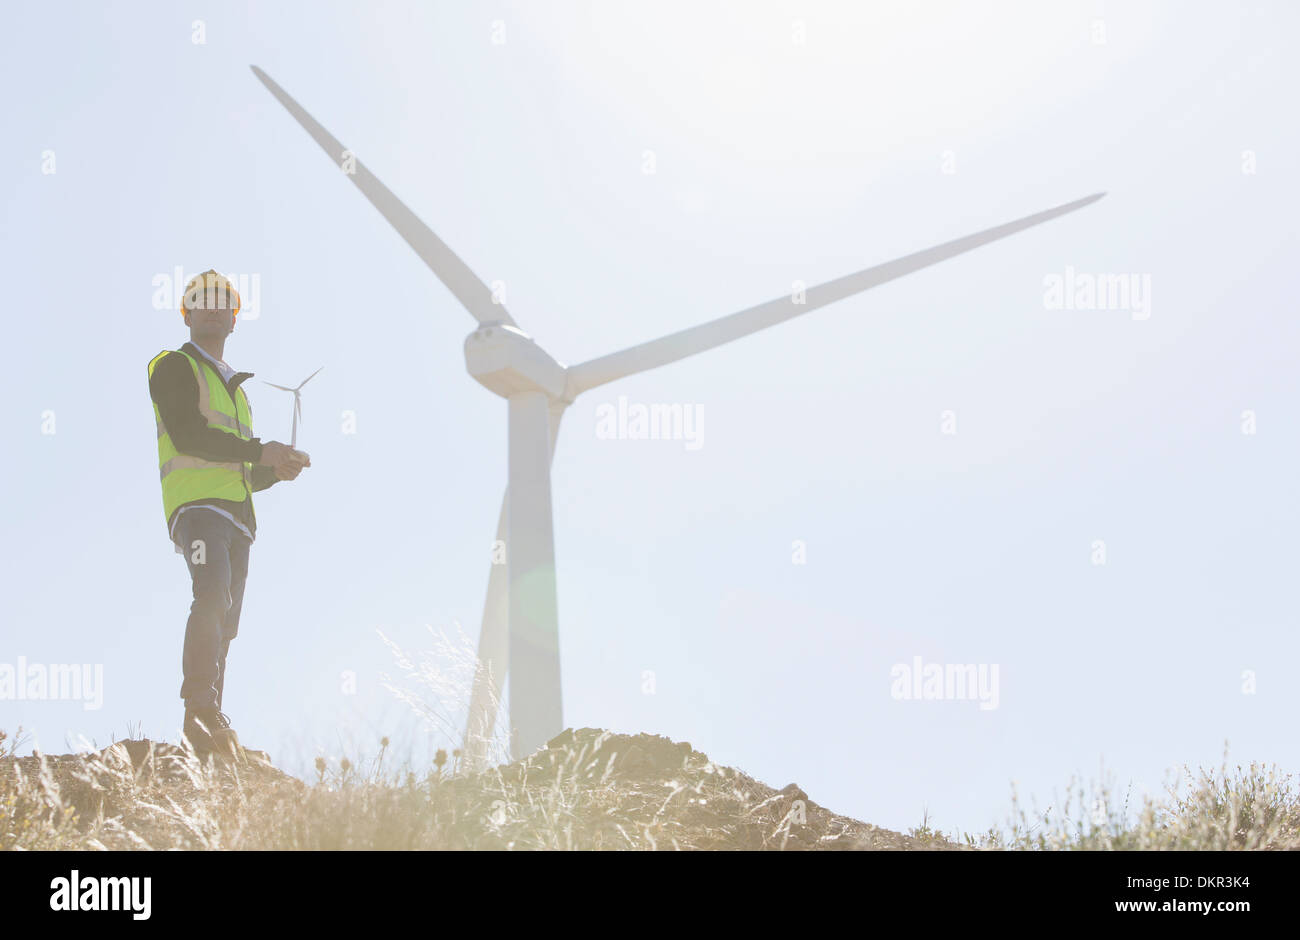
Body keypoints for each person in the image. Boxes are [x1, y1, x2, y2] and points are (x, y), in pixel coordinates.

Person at [146, 269, 310, 761]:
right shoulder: (172, 366)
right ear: (187, 313)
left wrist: (276, 470)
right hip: (196, 510)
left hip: (238, 519)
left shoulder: (238, 391)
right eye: (202, 299)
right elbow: (190, 437)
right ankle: (198, 712)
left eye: (222, 301)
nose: (213, 305)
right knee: (211, 593)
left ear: (234, 318)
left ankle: (212, 719)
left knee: (228, 621)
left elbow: (240, 468)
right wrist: (262, 451)